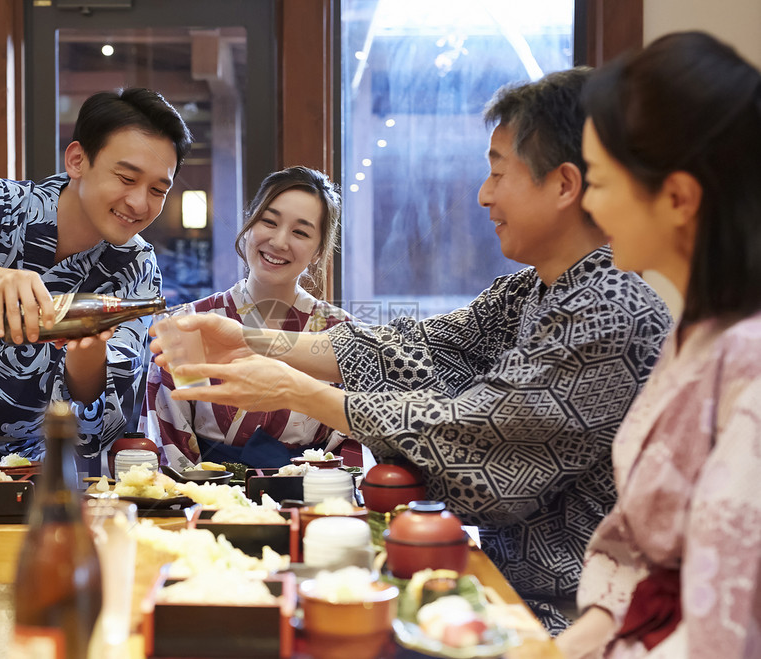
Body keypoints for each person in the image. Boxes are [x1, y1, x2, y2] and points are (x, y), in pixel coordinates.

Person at [151, 69, 672, 631]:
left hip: (581, 616)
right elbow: (415, 347)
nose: (484, 194)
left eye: (498, 172)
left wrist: (296, 390)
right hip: (501, 585)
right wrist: (251, 338)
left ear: (565, 184)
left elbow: (480, 433)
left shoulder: (611, 307)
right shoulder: (527, 290)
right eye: (269, 222)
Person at [554, 32, 761, 658]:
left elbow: (725, 623)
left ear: (677, 197)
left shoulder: (749, 357)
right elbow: (636, 551)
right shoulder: (697, 332)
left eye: (600, 182)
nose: (588, 204)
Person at [0, 87, 191, 472]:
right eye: (126, 178)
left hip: (27, 465)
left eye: (158, 190)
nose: (139, 203)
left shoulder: (136, 267)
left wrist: (85, 350)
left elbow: (97, 400)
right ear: (77, 160)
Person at [139, 166, 354, 471]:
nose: (279, 242)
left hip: (311, 498)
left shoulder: (341, 333)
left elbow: (352, 438)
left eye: (300, 232)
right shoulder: (189, 323)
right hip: (209, 500)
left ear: (319, 250)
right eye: (269, 221)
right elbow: (168, 438)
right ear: (250, 222)